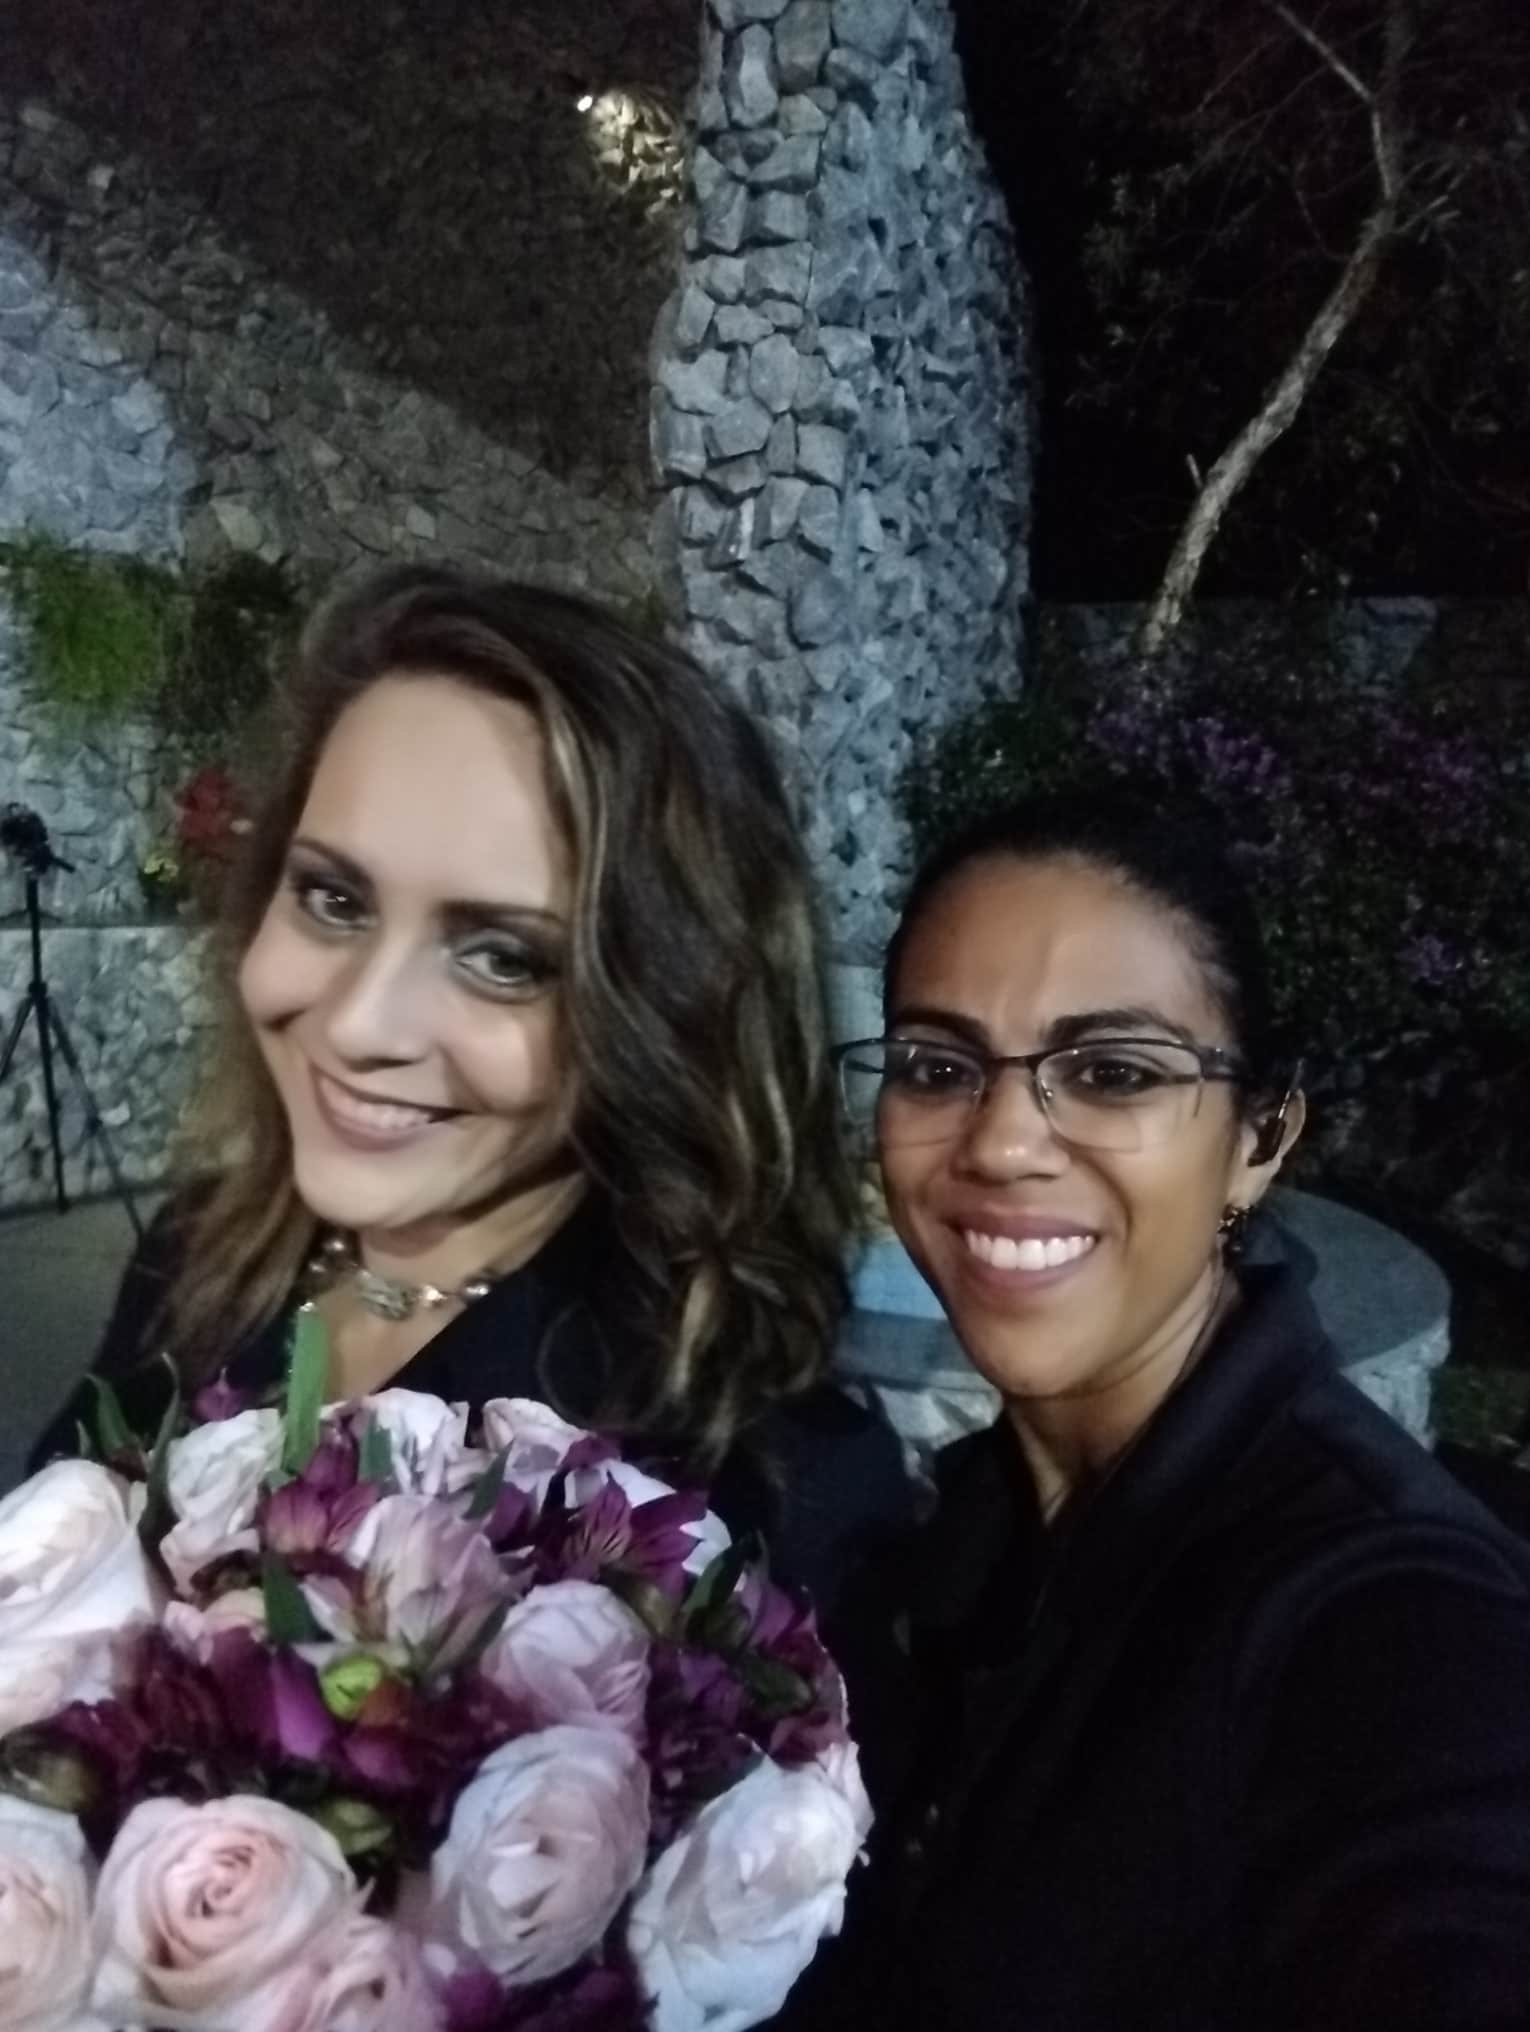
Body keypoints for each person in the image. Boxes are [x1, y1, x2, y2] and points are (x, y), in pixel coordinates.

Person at [30, 565, 912, 1642]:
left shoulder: (754, 1496)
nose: (359, 1022)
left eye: (503, 957)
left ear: (669, 1011)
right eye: (333, 898)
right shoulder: (199, 1257)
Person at [818, 792, 1530, 2030]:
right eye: (938, 1066)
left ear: (1261, 1137)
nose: (1001, 1142)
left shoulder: (1384, 1606)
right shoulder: (969, 1534)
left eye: (1113, 1072)